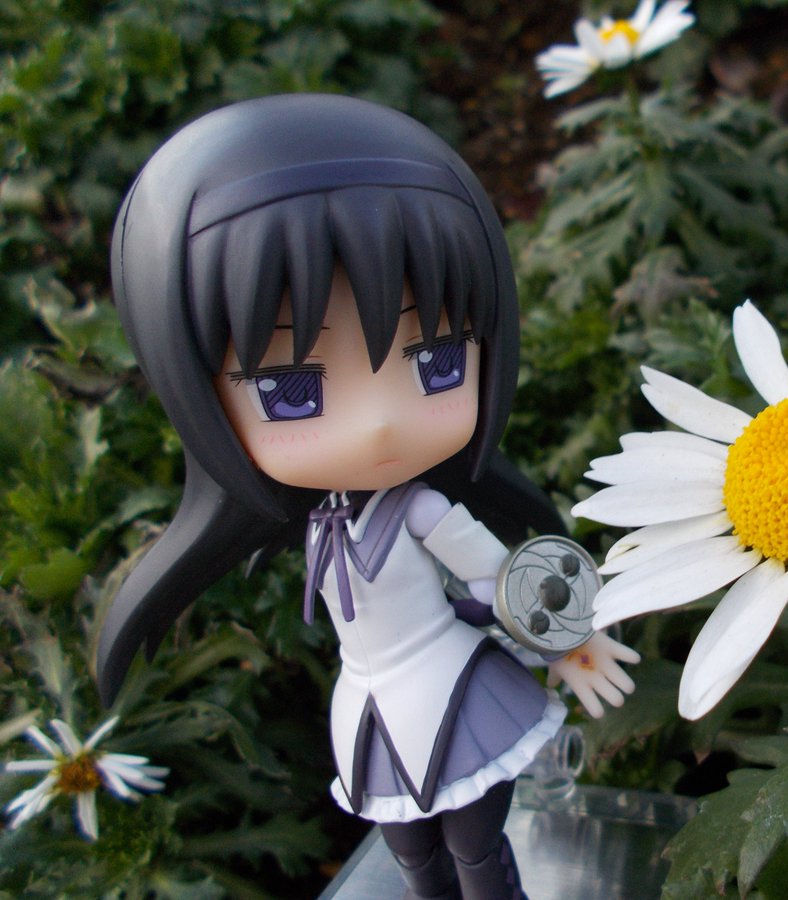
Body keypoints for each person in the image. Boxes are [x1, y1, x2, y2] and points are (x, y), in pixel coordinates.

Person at [97, 94, 638, 900]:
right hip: (372, 706)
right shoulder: (319, 522)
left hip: (452, 693)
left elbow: (496, 576)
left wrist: (566, 641)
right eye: (292, 389)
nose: (380, 424)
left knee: (476, 849)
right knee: (413, 855)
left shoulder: (422, 511)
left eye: (439, 361)